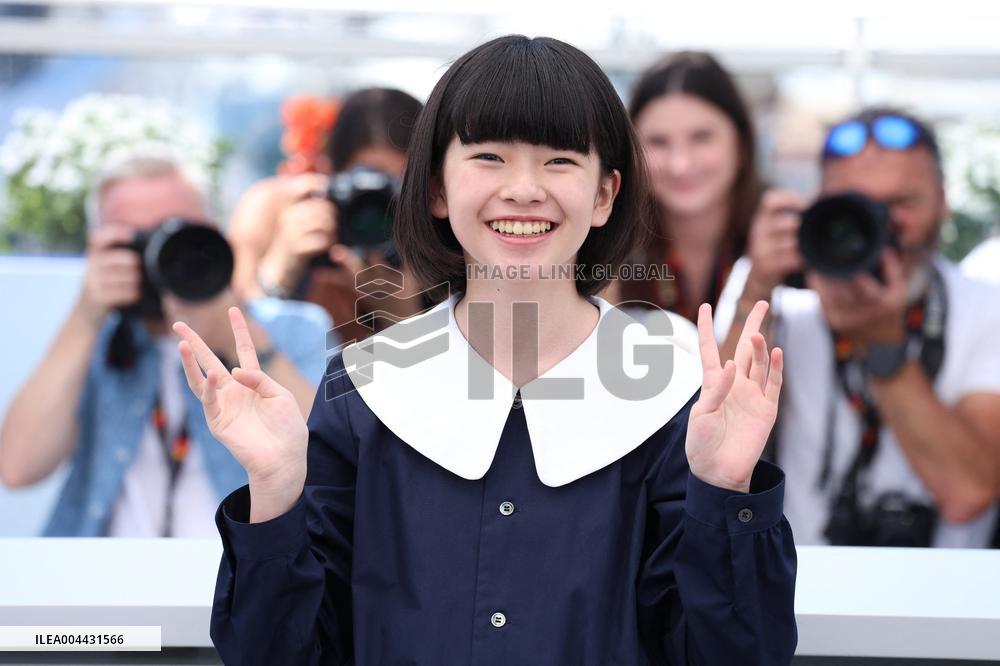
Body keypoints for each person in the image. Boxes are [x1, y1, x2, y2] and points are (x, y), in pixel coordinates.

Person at [176, 36, 797, 663]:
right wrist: (276, 493)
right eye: (489, 157)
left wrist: (727, 494)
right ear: (435, 189)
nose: (524, 190)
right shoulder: (364, 392)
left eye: (559, 160)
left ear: (605, 194)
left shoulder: (674, 394)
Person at [0, 155, 331, 537]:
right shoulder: (96, 339)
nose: (159, 257)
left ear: (213, 234)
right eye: (137, 241)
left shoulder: (292, 328)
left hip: (244, 581)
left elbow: (332, 464)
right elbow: (17, 467)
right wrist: (85, 315)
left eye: (174, 236)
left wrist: (240, 337)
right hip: (101, 582)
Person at [718, 107, 1000, 548]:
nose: (879, 228)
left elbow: (968, 492)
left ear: (943, 201)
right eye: (857, 206)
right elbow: (711, 449)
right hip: (798, 593)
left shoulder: (986, 307)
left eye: (900, 204)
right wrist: (757, 285)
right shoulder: (778, 295)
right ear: (818, 207)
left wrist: (880, 341)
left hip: (945, 599)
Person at [615, 51, 801, 333]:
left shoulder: (790, 238)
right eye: (658, 142)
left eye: (701, 138)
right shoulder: (606, 246)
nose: (680, 164)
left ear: (740, 145)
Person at [228, 88, 427, 342]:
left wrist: (402, 315)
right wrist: (280, 270)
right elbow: (233, 341)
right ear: (329, 174)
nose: (381, 208)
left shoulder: (441, 235)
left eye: (399, 186)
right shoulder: (276, 209)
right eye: (363, 185)